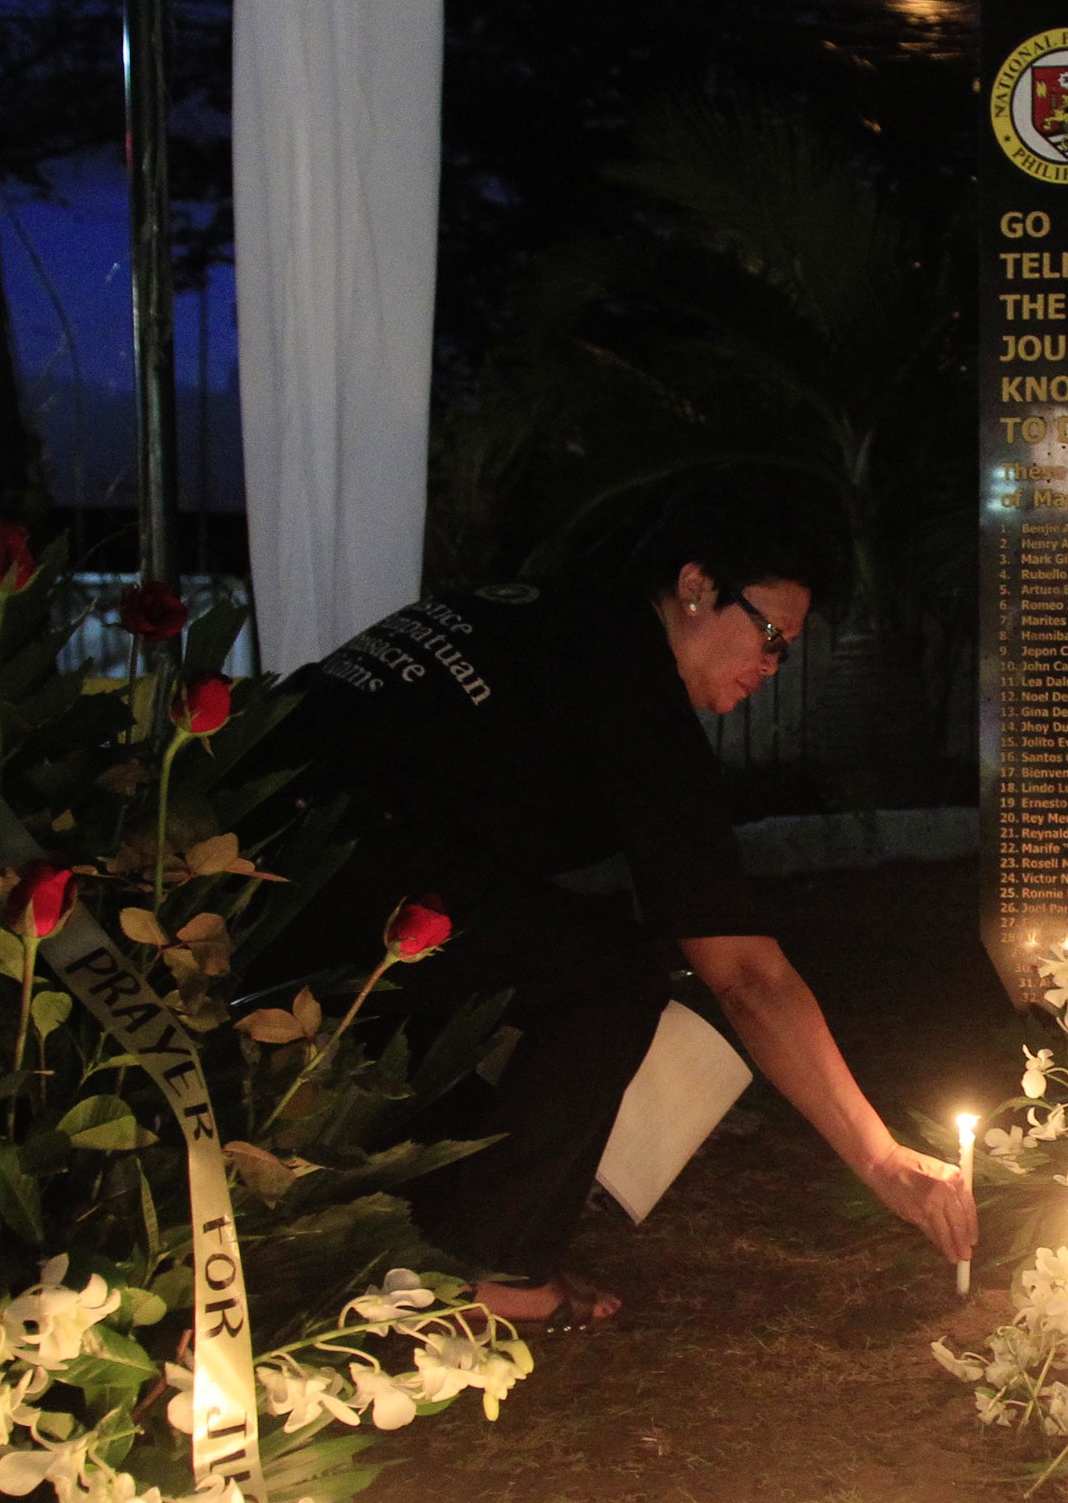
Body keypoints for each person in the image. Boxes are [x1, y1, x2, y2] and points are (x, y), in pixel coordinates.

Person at [258, 495, 974, 1327]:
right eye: (770, 638)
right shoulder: (632, 689)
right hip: (327, 871)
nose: (772, 667)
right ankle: (499, 1267)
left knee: (518, 949)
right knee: (610, 975)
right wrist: (882, 1159)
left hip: (251, 843)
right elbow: (744, 974)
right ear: (697, 586)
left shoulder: (553, 617)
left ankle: (415, 1236)